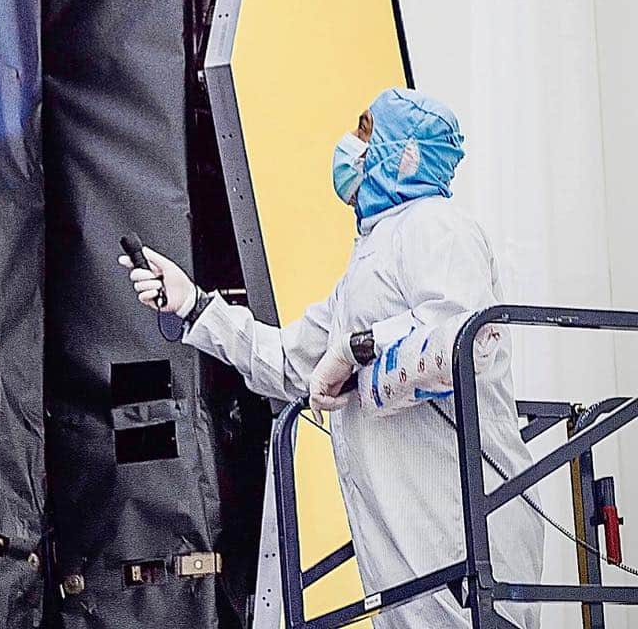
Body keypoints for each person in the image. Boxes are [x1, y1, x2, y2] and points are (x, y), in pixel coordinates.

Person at [119, 88, 544, 628]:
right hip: (412, 558)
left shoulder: (436, 226)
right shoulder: (367, 263)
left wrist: (354, 351)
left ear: (405, 152)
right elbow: (291, 362)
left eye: (365, 133)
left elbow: (465, 341)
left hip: (467, 540)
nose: (350, 146)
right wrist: (194, 305)